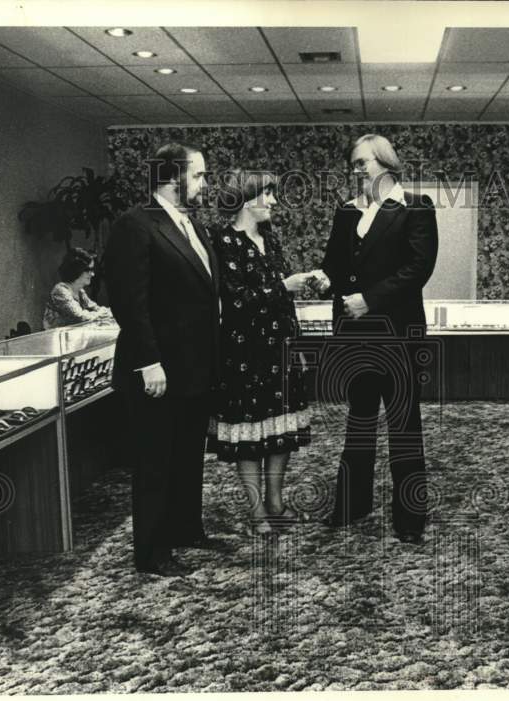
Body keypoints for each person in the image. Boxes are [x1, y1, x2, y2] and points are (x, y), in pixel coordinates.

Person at [104, 141, 221, 577]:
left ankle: (187, 529)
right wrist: (148, 362)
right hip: (157, 370)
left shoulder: (192, 226)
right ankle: (151, 552)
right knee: (155, 461)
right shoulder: (135, 225)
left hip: (193, 369)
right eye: (200, 175)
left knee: (188, 455)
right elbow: (129, 303)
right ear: (174, 178)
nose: (206, 184)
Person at [318, 133, 438, 544]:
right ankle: (352, 505)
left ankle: (410, 520)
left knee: (404, 426)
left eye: (363, 162)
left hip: (399, 337)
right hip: (356, 339)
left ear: (386, 163)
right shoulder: (347, 212)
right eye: (353, 164)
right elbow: (334, 265)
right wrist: (323, 279)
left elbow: (418, 268)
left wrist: (369, 300)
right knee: (359, 422)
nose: (357, 170)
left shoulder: (416, 207)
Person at [207, 169, 321, 532]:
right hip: (244, 355)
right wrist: (283, 287)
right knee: (251, 435)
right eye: (267, 195)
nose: (273, 202)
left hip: (280, 350)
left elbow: (279, 297)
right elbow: (236, 302)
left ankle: (276, 502)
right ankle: (257, 512)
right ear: (246, 200)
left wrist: (297, 288)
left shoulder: (270, 240)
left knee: (279, 433)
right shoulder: (222, 241)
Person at [41, 247, 111, 330]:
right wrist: (100, 314)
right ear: (77, 270)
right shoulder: (60, 290)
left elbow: (96, 308)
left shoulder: (80, 292)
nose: (92, 274)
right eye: (89, 270)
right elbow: (80, 317)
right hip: (56, 339)